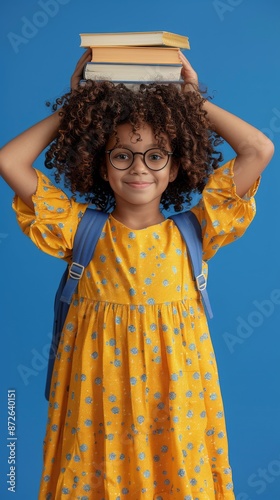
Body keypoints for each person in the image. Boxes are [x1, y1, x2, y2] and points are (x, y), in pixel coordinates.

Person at [0, 48, 274, 499]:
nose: (139, 168)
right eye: (122, 156)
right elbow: (11, 161)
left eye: (155, 156)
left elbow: (259, 149)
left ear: (176, 166)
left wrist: (191, 102)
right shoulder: (80, 230)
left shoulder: (196, 231)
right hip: (98, 395)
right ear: (102, 168)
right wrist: (79, 106)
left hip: (176, 396)